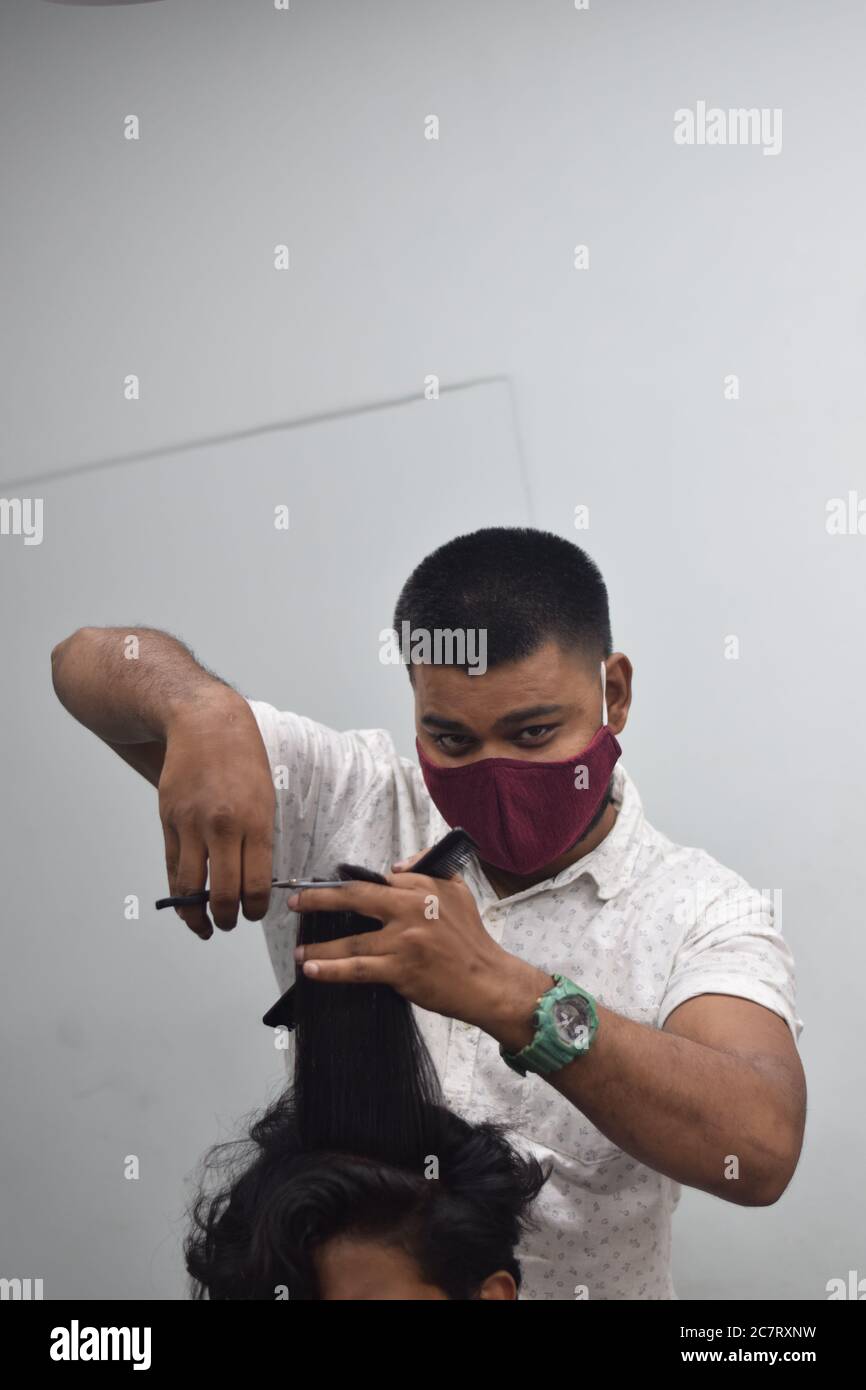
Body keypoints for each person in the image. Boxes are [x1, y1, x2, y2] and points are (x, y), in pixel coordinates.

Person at [51, 526, 806, 1300]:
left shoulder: (697, 910)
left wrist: (512, 996)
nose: (495, 772)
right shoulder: (345, 798)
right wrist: (201, 711)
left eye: (533, 732)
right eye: (451, 738)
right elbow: (82, 661)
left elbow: (759, 1146)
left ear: (613, 691)